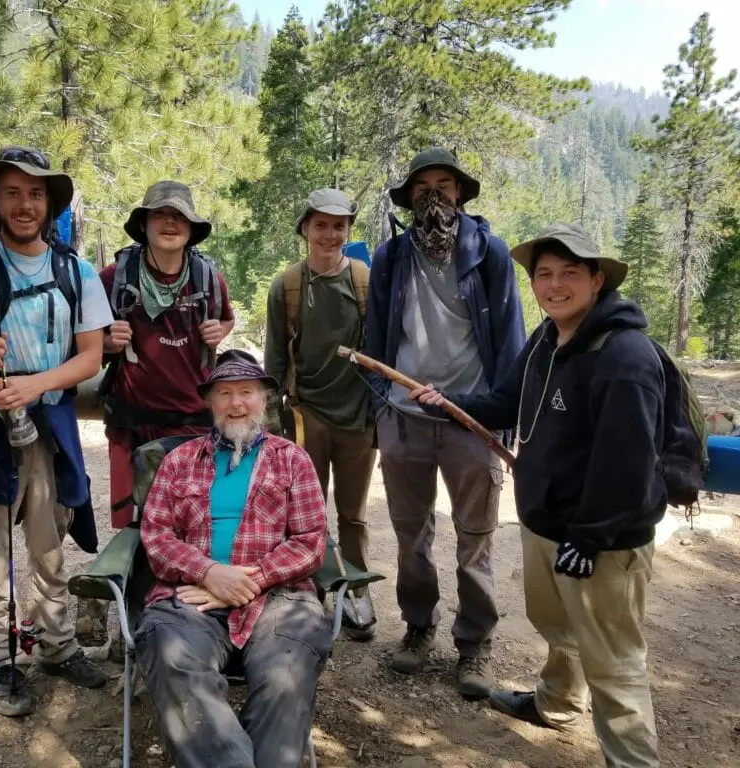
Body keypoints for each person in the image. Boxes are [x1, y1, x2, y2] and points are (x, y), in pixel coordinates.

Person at [411, 223, 663, 767]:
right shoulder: (547, 340)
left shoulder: (624, 356)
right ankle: (556, 703)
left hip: (601, 541)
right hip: (548, 527)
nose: (554, 285)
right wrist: (447, 402)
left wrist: (590, 537)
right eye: (544, 274)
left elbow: (630, 464)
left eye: (569, 273)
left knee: (614, 663)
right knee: (560, 632)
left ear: (597, 280)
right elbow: (504, 403)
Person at [0, 147, 113, 716]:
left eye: (35, 194)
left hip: (51, 425)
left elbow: (90, 358)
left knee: (47, 541)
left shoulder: (76, 271)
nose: (24, 204)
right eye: (11, 192)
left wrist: (35, 385)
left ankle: (57, 644)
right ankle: (1, 658)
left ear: (51, 203)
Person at [363, 147, 526, 699]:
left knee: (475, 536)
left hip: (470, 417)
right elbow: (377, 333)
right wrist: (384, 397)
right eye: (423, 186)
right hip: (404, 415)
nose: (434, 194)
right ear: (410, 197)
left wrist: (502, 415)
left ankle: (474, 642)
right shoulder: (390, 258)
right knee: (411, 534)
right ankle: (417, 627)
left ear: (460, 192)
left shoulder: (491, 255)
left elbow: (511, 341)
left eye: (444, 184)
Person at [137, 350, 331, 768]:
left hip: (280, 600)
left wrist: (250, 580)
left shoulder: (292, 459)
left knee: (286, 672)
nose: (236, 403)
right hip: (189, 597)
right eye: (225, 393)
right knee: (172, 656)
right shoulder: (178, 462)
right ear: (210, 402)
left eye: (247, 392)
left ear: (264, 400)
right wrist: (209, 572)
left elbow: (311, 540)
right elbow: (156, 535)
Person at [263, 188, 377, 640]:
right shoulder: (287, 285)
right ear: (305, 228)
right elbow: (273, 362)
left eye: (339, 225)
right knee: (304, 513)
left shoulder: (366, 282)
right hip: (305, 416)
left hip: (358, 418)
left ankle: (356, 590)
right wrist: (271, 420)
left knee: (353, 513)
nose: (330, 234)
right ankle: (306, 590)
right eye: (321, 224)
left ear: (349, 230)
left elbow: (380, 351)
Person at [99, 181, 234, 529]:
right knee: (134, 528)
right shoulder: (114, 278)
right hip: (132, 425)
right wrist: (105, 342)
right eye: (160, 214)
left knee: (191, 523)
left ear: (191, 229)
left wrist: (220, 331)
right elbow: (84, 340)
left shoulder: (209, 279)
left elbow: (226, 319)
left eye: (179, 216)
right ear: (144, 224)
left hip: (195, 425)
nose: (170, 223)